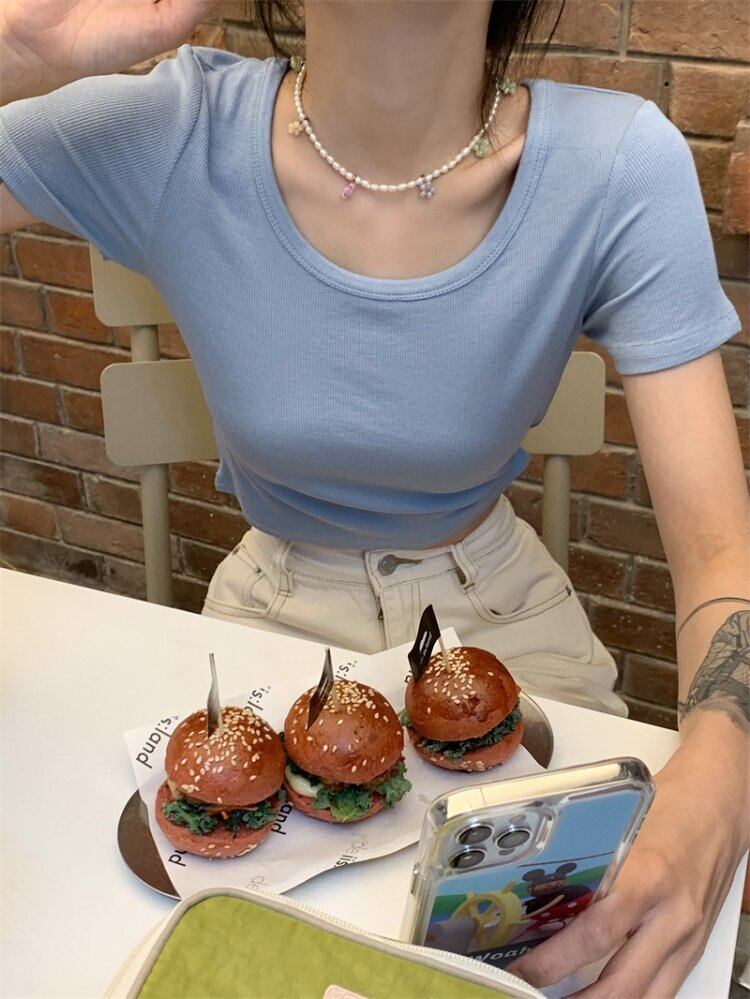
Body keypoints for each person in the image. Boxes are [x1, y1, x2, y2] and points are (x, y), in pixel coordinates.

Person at [0, 1, 747, 994]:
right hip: (270, 618)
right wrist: (18, 47)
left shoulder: (616, 164)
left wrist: (724, 775)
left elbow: (721, 552)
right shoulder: (173, 130)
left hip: (506, 628)